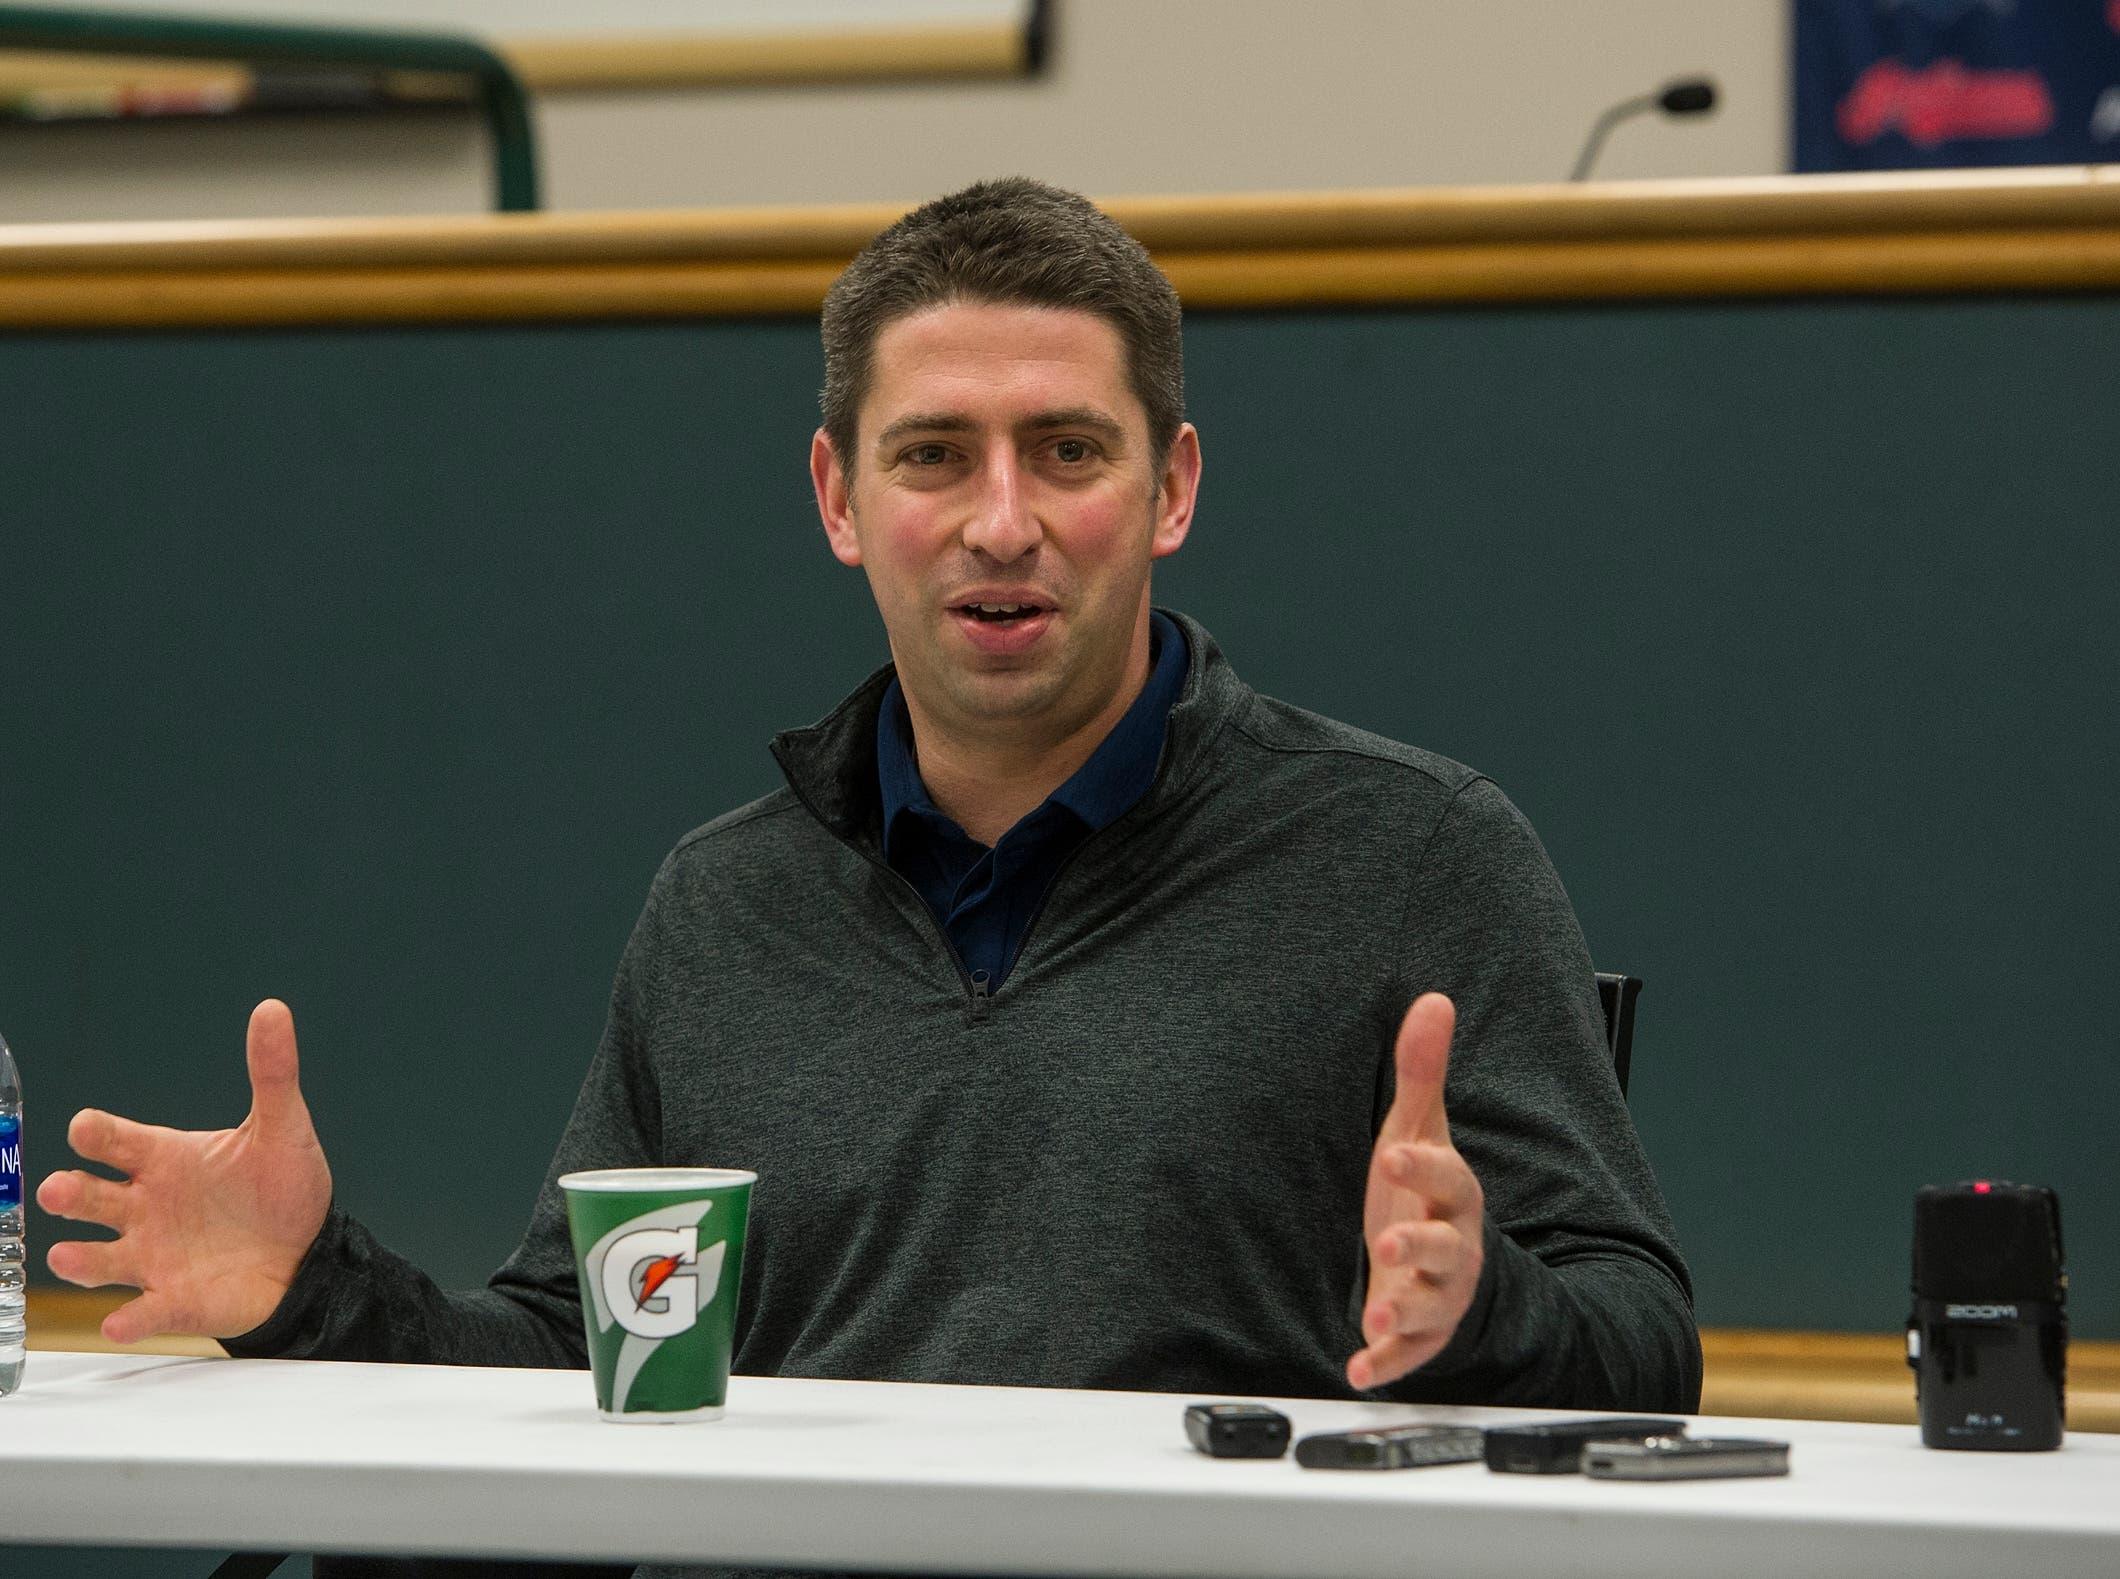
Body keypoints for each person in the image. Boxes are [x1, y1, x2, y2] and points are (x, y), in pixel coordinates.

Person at [40, 177, 1698, 1568]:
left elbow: (1648, 1350)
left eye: (1067, 451)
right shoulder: (725, 904)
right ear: (839, 499)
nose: (1001, 522)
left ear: (1171, 488)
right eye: (932, 457)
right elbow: (583, 1370)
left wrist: (1484, 1309)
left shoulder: (1415, 851)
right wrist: (308, 1294)